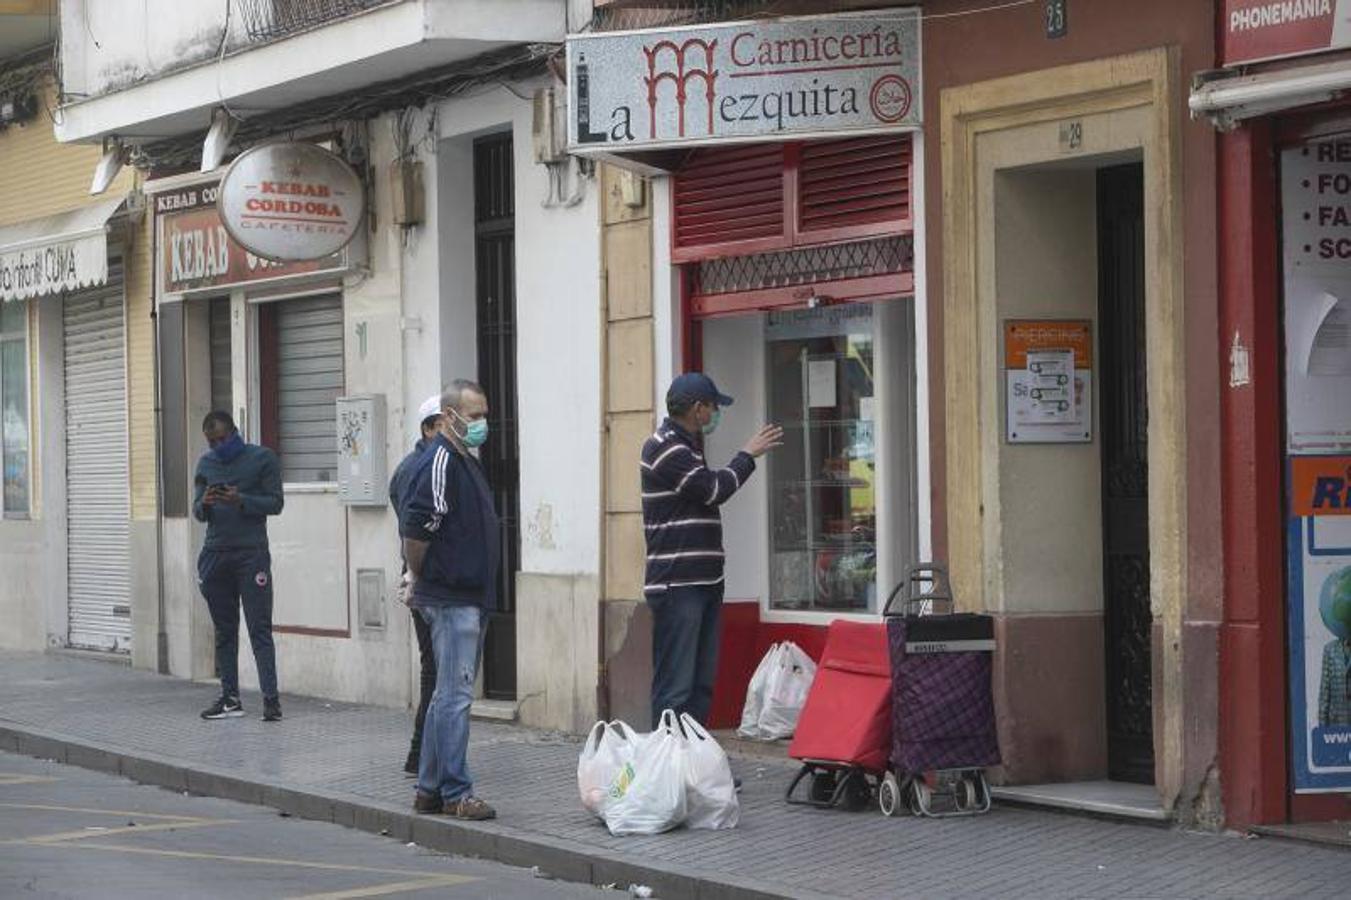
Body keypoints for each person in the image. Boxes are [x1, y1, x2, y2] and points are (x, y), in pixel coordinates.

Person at [641, 373, 782, 729]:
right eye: (713, 407)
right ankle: (670, 766)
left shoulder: (687, 445)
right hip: (678, 585)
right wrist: (747, 455)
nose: (716, 414)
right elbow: (712, 490)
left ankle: (695, 764)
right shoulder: (665, 447)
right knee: (676, 686)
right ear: (697, 408)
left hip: (703, 582)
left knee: (701, 686)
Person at [401, 379, 500, 820]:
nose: (481, 423)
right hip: (451, 597)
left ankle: (429, 789)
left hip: (466, 595)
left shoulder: (465, 460)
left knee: (446, 697)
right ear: (448, 418)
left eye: (483, 414)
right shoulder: (441, 461)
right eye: (474, 415)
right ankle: (457, 792)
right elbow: (418, 528)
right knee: (456, 698)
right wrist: (422, 578)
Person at [192, 411, 285, 722]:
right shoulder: (206, 464)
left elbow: (275, 503)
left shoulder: (263, 459)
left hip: (251, 555)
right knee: (225, 631)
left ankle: (271, 701)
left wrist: (240, 499)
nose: (218, 445)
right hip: (216, 554)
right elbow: (197, 512)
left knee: (259, 628)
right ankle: (230, 698)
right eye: (212, 441)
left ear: (235, 431)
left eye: (222, 438)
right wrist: (204, 502)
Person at [390, 393, 444, 776]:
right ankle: (421, 753)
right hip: (428, 580)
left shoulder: (417, 465)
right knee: (436, 669)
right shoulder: (420, 469)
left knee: (437, 668)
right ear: (428, 429)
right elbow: (416, 528)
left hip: (423, 577)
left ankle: (424, 753)